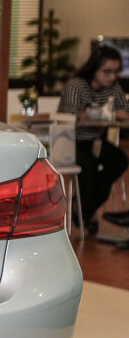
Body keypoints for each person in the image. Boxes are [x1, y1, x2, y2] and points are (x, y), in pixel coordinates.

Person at [58, 45, 129, 233]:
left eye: (116, 72)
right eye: (107, 71)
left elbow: (125, 111)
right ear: (94, 68)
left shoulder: (114, 89)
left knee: (120, 160)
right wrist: (107, 113)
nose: (112, 77)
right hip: (69, 140)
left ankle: (83, 209)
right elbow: (70, 114)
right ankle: (86, 211)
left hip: (94, 140)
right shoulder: (77, 85)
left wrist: (94, 113)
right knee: (88, 167)